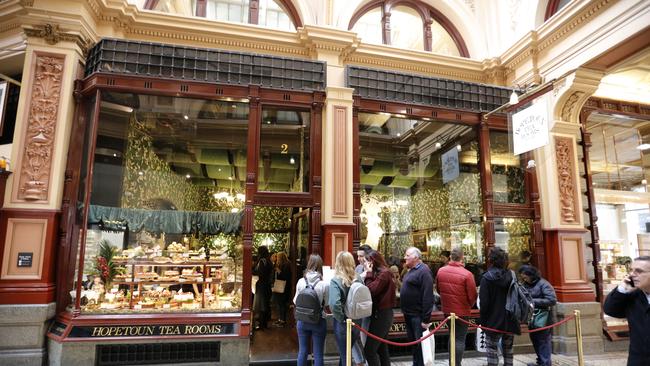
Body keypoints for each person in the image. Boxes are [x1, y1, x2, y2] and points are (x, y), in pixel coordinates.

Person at [603, 256, 650, 366]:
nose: (632, 275)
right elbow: (610, 310)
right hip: (638, 359)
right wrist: (622, 289)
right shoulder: (632, 295)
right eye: (631, 270)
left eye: (639, 271)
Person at [436, 247, 477, 366]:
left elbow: (439, 290)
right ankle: (456, 364)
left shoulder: (441, 271)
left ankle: (452, 363)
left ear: (450, 257)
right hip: (462, 311)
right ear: (462, 257)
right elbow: (472, 295)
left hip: (447, 310)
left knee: (452, 336)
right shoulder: (467, 274)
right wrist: (469, 305)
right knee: (459, 338)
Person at [479, 247, 520, 366]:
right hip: (510, 318)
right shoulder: (512, 275)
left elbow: (484, 303)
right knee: (508, 350)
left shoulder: (486, 278)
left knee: (491, 349)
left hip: (492, 320)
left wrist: (483, 321)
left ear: (491, 260)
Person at [329, 251, 365, 366]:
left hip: (343, 322)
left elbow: (334, 303)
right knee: (345, 352)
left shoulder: (336, 280)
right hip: (357, 320)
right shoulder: (358, 278)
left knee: (345, 355)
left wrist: (341, 318)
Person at [400, 247, 434, 366]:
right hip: (409, 314)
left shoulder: (424, 272)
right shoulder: (411, 270)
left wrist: (425, 319)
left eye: (407, 255)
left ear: (415, 257)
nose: (405, 257)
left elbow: (428, 296)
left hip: (417, 316)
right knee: (414, 345)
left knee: (420, 346)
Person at [294, 254, 329, 366]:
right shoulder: (324, 284)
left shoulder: (300, 281)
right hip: (318, 320)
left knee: (302, 352)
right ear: (320, 266)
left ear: (309, 264)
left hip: (302, 321)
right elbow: (327, 303)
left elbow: (295, 301)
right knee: (318, 354)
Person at [518, 265, 556, 366]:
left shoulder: (544, 284)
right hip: (532, 318)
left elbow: (552, 300)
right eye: (522, 277)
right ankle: (541, 361)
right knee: (535, 340)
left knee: (543, 342)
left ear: (532, 275)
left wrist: (532, 301)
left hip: (542, 318)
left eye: (525, 277)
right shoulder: (525, 284)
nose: (524, 279)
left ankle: (545, 363)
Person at [363, 250, 395, 366]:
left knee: (369, 351)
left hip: (382, 315)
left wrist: (368, 273)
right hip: (382, 314)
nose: (364, 264)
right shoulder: (383, 272)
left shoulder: (384, 274)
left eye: (366, 261)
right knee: (382, 349)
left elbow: (370, 291)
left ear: (372, 261)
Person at [252, 245, 273, 330]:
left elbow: (260, 273)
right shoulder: (268, 261)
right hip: (267, 285)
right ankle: (264, 323)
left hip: (262, 285)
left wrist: (252, 271)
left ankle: (261, 325)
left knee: (261, 305)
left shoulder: (262, 261)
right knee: (265, 304)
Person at [272, 251, 292, 326]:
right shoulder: (280, 265)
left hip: (284, 287)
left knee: (282, 304)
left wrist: (279, 271)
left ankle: (283, 320)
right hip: (279, 286)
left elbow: (286, 276)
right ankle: (280, 319)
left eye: (277, 257)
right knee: (278, 303)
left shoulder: (286, 265)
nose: (276, 258)